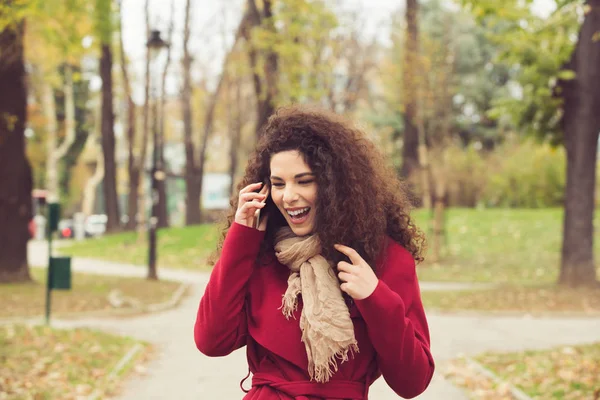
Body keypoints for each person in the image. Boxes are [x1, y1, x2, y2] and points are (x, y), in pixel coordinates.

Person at [194, 106, 435, 399]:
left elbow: (413, 381)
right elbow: (211, 341)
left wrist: (375, 297)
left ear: (337, 185)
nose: (288, 196)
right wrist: (240, 238)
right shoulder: (260, 254)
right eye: (278, 184)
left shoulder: (383, 258)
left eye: (304, 181)